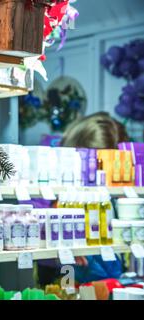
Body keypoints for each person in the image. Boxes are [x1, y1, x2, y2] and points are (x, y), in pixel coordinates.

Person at [38, 112, 128, 286]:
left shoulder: (117, 190)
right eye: (89, 165)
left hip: (109, 283)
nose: (93, 175)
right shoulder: (49, 178)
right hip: (62, 278)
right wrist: (59, 251)